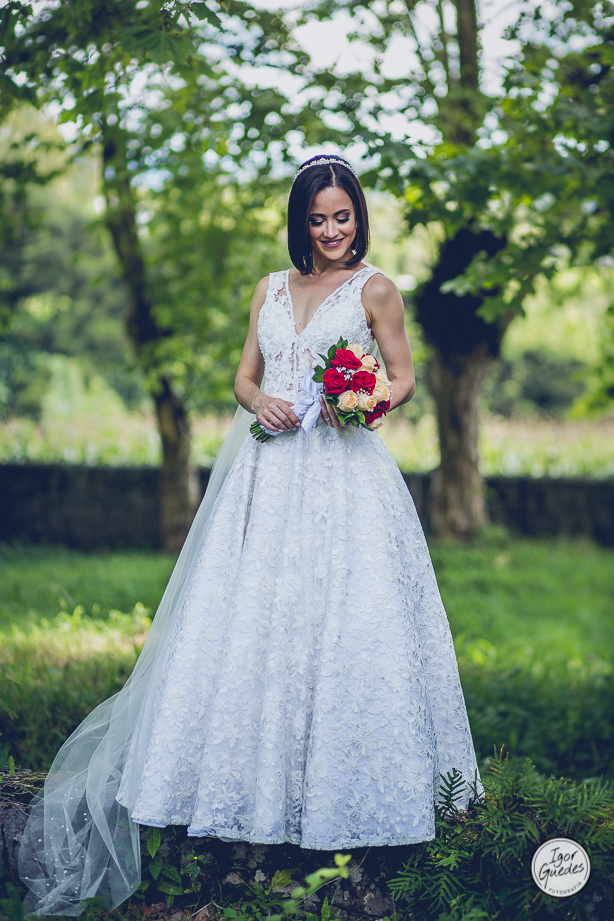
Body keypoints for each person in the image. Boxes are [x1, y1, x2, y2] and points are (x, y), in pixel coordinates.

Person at [18, 154, 484, 918]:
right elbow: (243, 376)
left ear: (358, 217)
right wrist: (259, 399)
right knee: (256, 624)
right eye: (319, 219)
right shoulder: (270, 288)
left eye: (344, 217)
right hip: (268, 481)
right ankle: (245, 804)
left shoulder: (377, 289)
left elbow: (400, 375)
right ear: (300, 223)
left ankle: (349, 808)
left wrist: (365, 400)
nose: (333, 231)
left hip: (343, 478)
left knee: (343, 626)